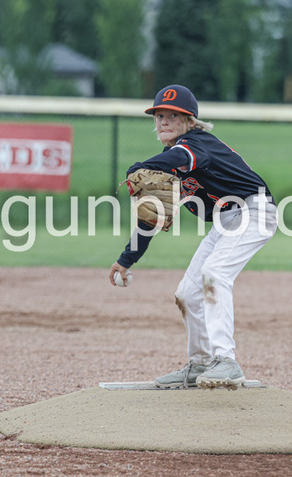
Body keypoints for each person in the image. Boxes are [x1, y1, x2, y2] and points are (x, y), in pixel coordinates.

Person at [109, 84, 277, 390]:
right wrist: (126, 259)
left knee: (214, 273)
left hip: (255, 212)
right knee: (187, 293)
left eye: (174, 115)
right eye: (159, 115)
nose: (164, 121)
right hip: (227, 220)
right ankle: (200, 362)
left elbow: (178, 158)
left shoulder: (195, 144)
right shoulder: (170, 161)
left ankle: (226, 361)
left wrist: (140, 167)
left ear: (190, 122)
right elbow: (152, 217)